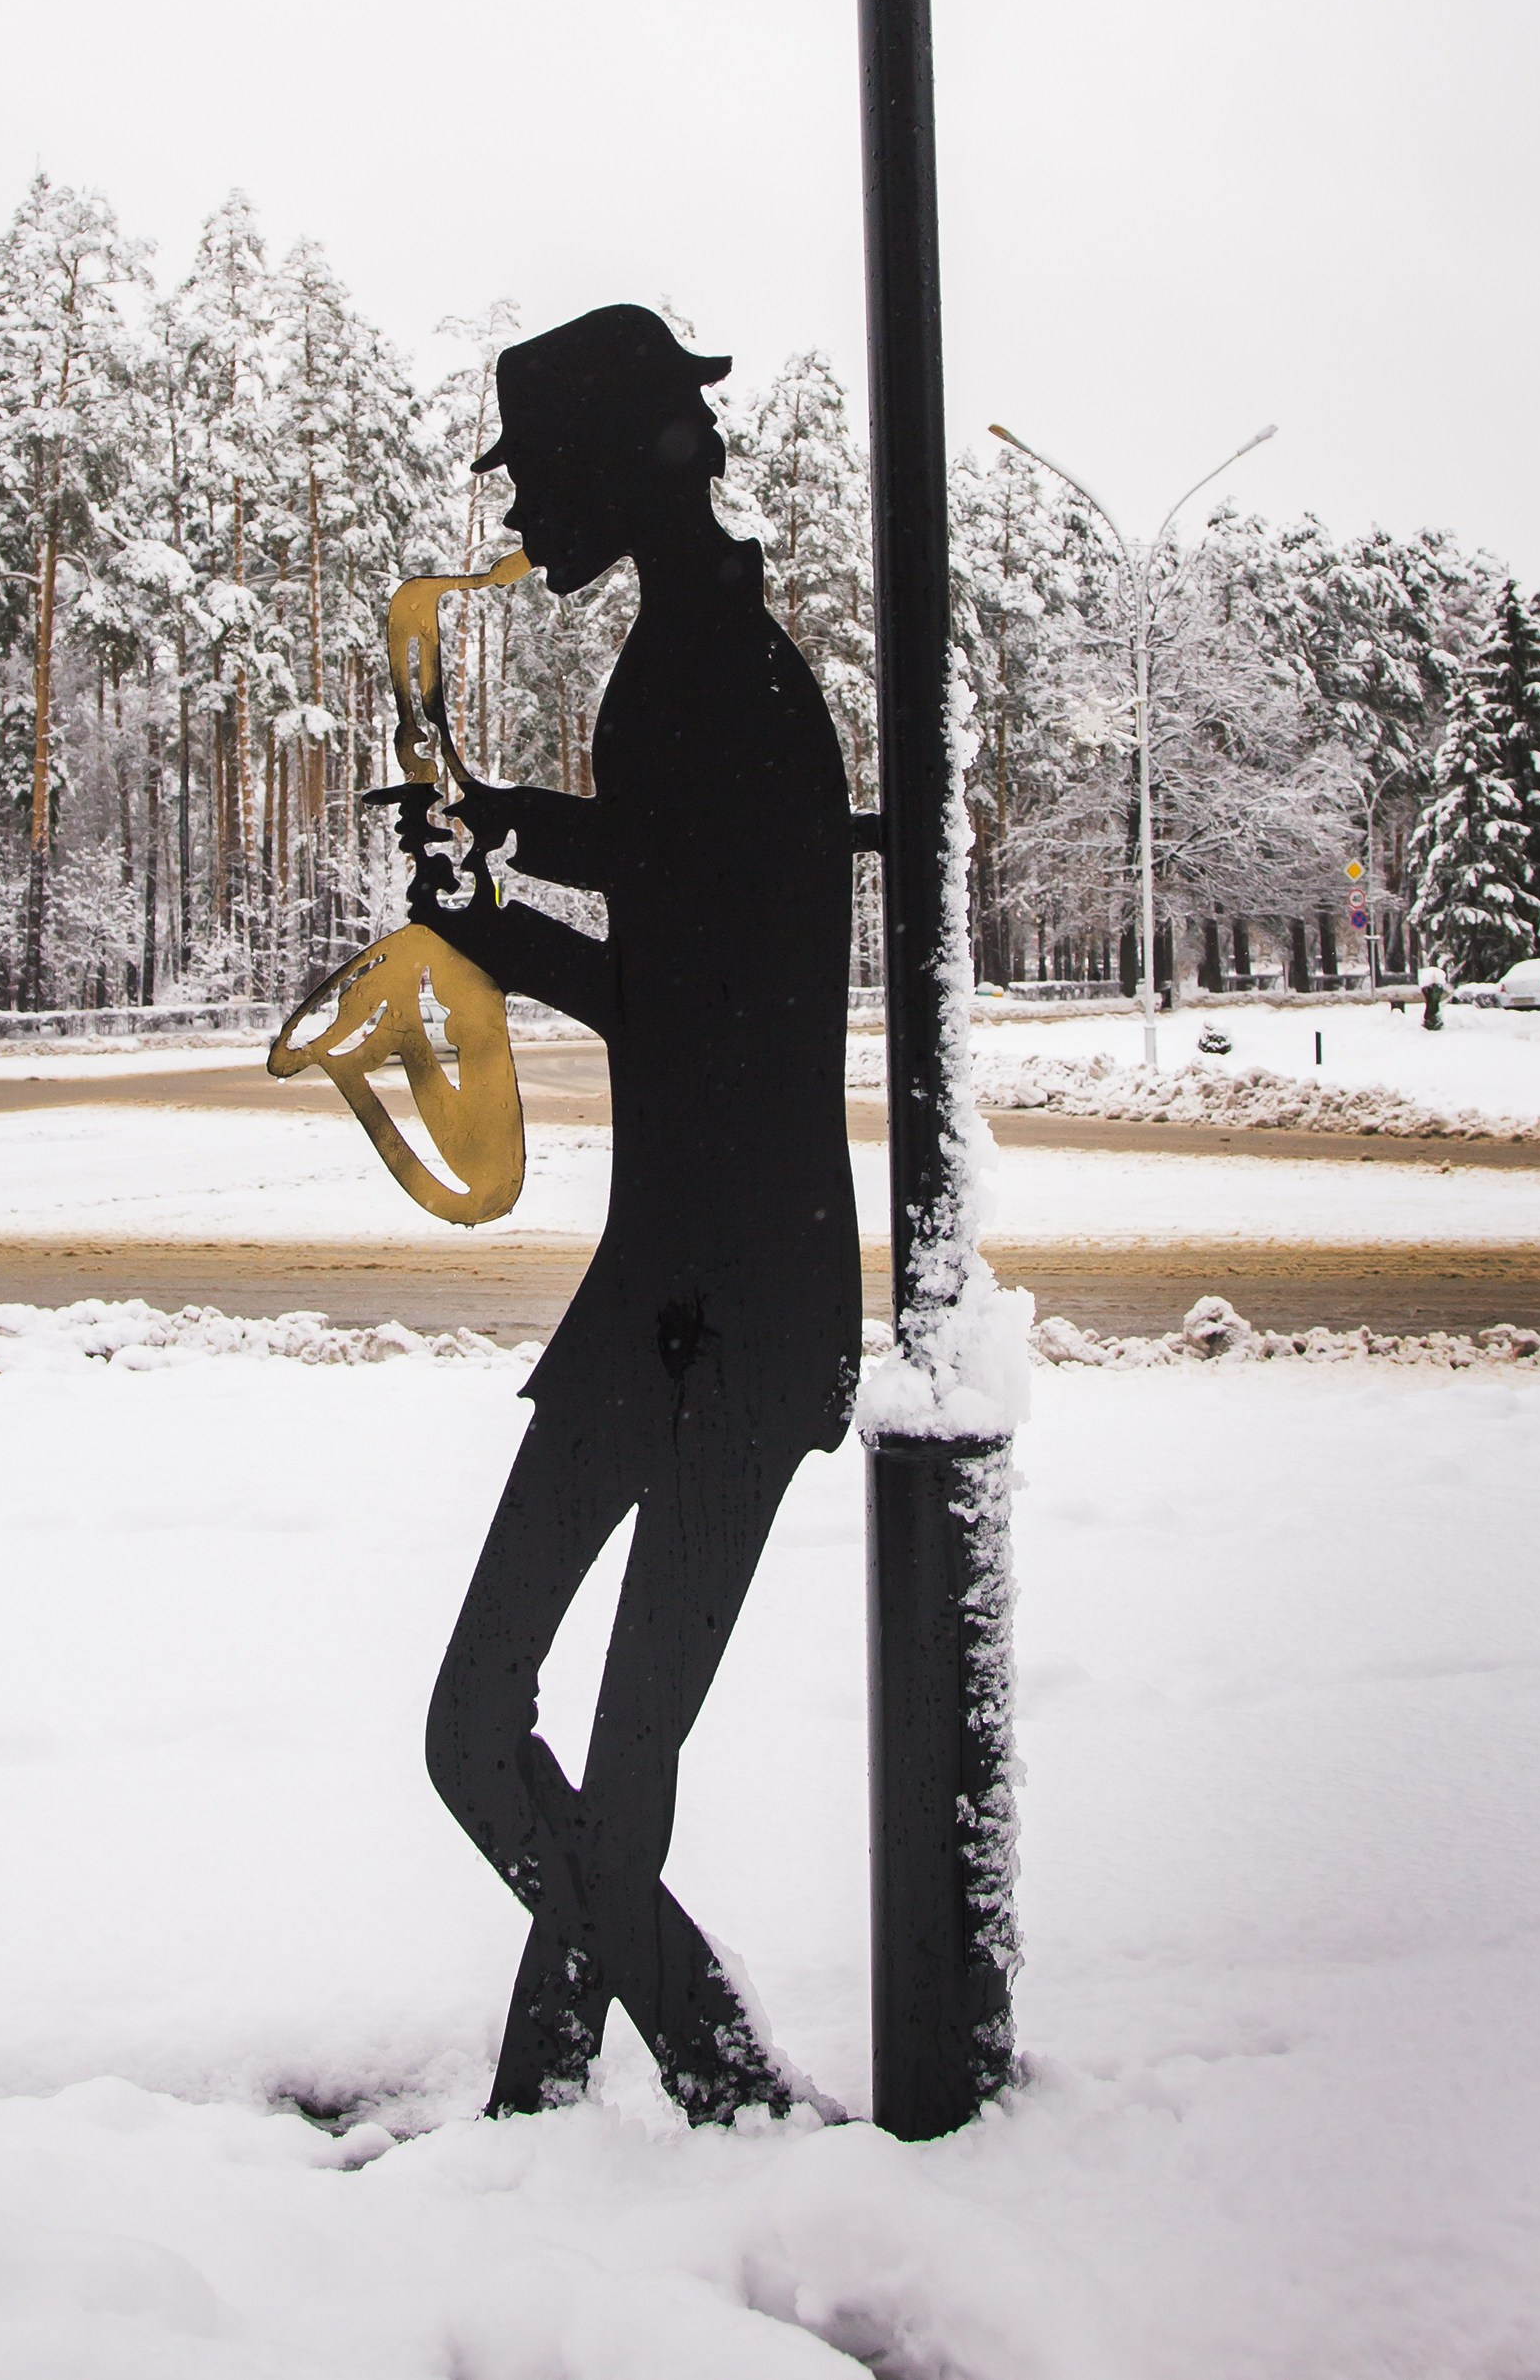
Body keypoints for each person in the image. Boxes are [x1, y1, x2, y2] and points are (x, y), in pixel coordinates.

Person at [400, 304, 860, 2121]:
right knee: (561, 1738)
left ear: (616, 458)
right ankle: (676, 2080)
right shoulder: (701, 655)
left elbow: (690, 986)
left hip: (722, 1296)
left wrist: (482, 924)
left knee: (542, 1735)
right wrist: (507, 823)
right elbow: (703, 875)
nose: (529, 521)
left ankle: (599, 2102)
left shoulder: (701, 670)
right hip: (702, 1274)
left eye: (544, 479)